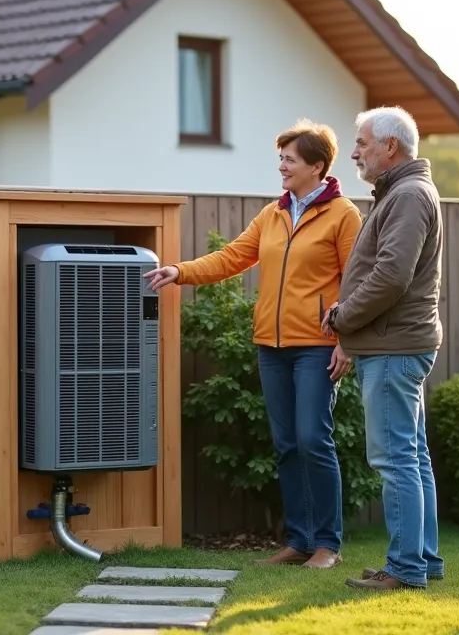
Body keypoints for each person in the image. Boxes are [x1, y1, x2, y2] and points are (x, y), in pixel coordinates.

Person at [145, 119, 362, 570]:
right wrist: (179, 271)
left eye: (290, 159)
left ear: (317, 166)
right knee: (286, 443)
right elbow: (232, 257)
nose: (281, 166)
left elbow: (357, 283)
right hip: (272, 345)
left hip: (318, 346)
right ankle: (299, 541)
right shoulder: (272, 214)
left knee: (312, 439)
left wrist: (347, 340)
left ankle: (328, 545)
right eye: (281, 158)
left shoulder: (344, 216)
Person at [322, 106, 445, 591]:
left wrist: (343, 316)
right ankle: (424, 562)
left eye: (362, 142)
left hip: (393, 347)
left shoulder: (409, 196)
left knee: (395, 459)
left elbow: (392, 276)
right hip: (396, 343)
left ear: (389, 147)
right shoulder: (403, 192)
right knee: (413, 457)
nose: (354, 151)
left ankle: (405, 569)